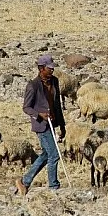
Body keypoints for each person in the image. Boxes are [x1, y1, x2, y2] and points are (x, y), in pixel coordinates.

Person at [15, 54, 66, 195]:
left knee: (46, 154)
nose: (52, 71)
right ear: (41, 68)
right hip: (41, 125)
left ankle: (24, 181)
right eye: (49, 68)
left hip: (53, 122)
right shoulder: (33, 85)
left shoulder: (54, 81)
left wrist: (62, 125)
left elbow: (57, 105)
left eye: (52, 68)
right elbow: (26, 107)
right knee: (54, 155)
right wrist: (39, 115)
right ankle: (53, 187)